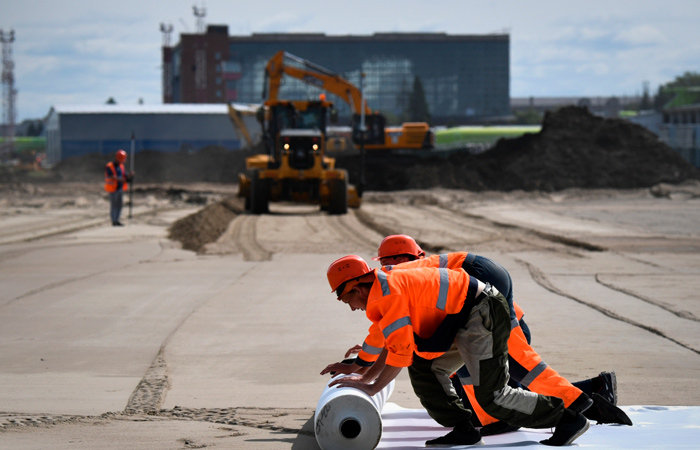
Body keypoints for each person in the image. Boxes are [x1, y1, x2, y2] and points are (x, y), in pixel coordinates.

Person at [322, 254, 591, 447]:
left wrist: (371, 386)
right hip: (459, 317)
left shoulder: (388, 292)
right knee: (424, 367)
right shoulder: (382, 289)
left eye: (347, 299)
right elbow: (385, 339)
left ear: (356, 287)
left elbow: (399, 352)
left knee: (492, 396)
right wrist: (360, 370)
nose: (350, 307)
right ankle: (464, 430)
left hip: (482, 311)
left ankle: (567, 418)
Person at [104, 149, 133, 226]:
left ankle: (117, 220)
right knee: (114, 205)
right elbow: (111, 176)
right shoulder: (109, 166)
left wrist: (129, 176)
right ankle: (114, 221)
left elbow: (124, 175)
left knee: (119, 205)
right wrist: (121, 179)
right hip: (113, 189)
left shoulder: (121, 166)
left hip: (120, 188)